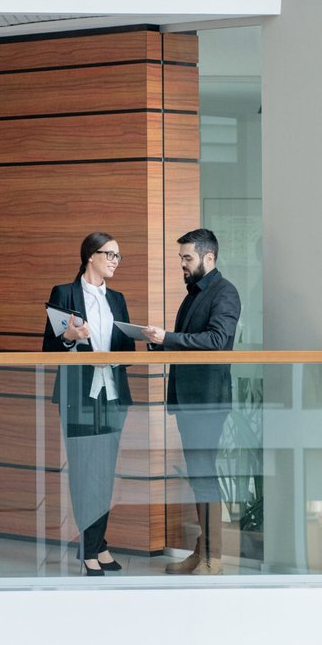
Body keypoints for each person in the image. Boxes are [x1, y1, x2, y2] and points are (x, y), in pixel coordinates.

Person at [141, 228, 241, 575]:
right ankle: (203, 552)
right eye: (181, 258)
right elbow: (187, 342)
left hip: (206, 402)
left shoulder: (224, 293)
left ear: (208, 258)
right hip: (189, 401)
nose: (182, 264)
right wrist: (158, 341)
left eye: (187, 258)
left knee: (205, 476)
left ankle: (214, 557)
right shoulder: (195, 293)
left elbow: (216, 340)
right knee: (199, 476)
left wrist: (168, 337)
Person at [42, 232, 135, 576]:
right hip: (77, 396)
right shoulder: (64, 294)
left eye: (117, 256)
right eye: (109, 254)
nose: (114, 260)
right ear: (89, 256)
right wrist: (68, 338)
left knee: (105, 472)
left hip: (113, 394)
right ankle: (88, 547)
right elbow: (48, 350)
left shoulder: (119, 298)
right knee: (83, 472)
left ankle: (98, 543)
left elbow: (126, 351)